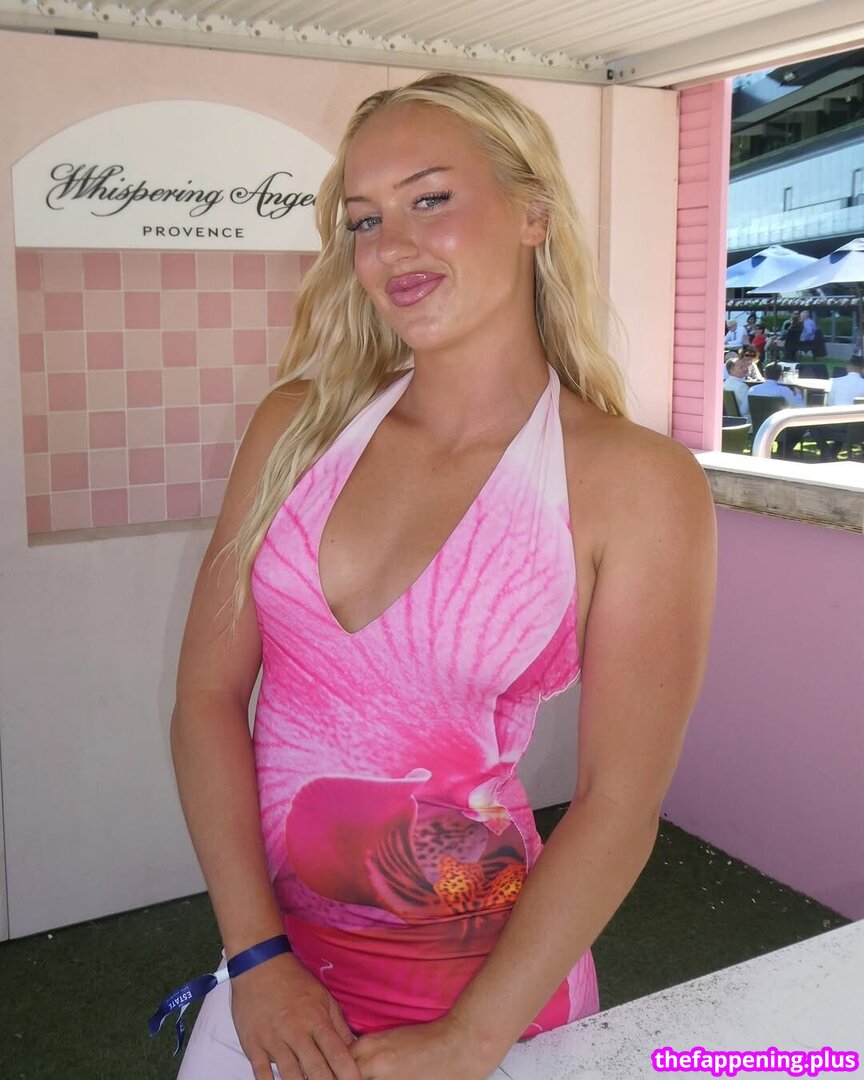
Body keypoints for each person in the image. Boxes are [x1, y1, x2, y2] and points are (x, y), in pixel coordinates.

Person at [166, 72, 716, 1080]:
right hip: (279, 983)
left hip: (491, 1002)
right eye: (364, 220)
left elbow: (617, 803)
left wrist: (471, 1040)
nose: (390, 248)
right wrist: (256, 956)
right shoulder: (298, 428)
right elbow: (206, 697)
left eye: (430, 199)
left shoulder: (635, 483)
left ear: (532, 215)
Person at [723, 355, 752, 424]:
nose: (745, 369)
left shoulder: (724, 384)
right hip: (746, 423)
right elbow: (744, 411)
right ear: (731, 370)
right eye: (741, 367)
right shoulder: (742, 386)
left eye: (745, 366)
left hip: (731, 421)